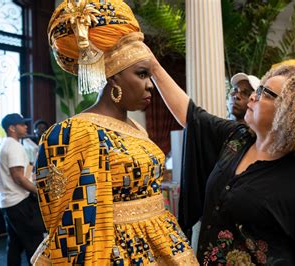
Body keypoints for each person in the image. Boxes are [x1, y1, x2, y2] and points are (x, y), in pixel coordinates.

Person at [31, 1, 197, 265]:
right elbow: (72, 226)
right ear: (113, 78)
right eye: (142, 74)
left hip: (161, 242)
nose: (150, 85)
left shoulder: (137, 128)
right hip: (116, 253)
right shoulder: (75, 132)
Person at [151, 60, 295, 265]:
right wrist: (154, 67)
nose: (252, 96)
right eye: (258, 89)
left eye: (265, 93)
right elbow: (192, 115)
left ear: (292, 112)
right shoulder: (238, 139)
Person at [0, 113, 45, 265]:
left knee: (15, 245)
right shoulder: (14, 146)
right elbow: (18, 177)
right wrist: (39, 191)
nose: (26, 127)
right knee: (35, 245)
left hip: (8, 203)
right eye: (22, 124)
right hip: (19, 203)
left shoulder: (4, 145)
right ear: (12, 128)